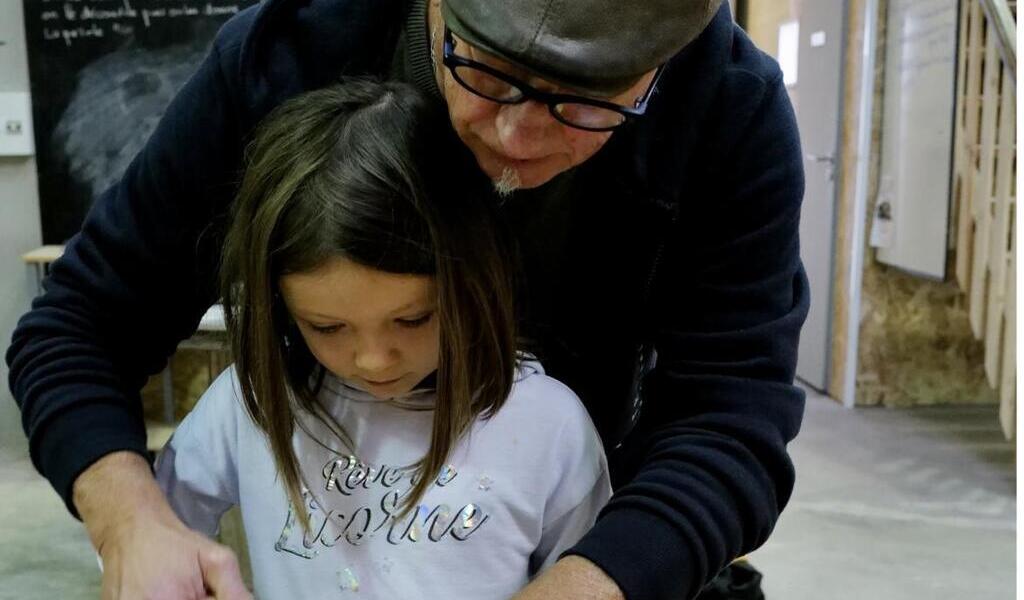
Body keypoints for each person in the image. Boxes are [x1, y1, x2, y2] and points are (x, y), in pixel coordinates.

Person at [7, 0, 809, 599]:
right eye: (486, 73)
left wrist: (596, 578)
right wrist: (130, 523)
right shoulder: (285, 54)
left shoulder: (730, 108)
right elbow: (77, 328)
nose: (514, 139)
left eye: (585, 102)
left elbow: (730, 420)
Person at [153, 79, 611, 598]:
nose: (373, 361)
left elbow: (589, 577)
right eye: (326, 327)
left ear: (474, 281)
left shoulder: (548, 425)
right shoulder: (248, 401)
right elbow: (154, 534)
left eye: (413, 320)